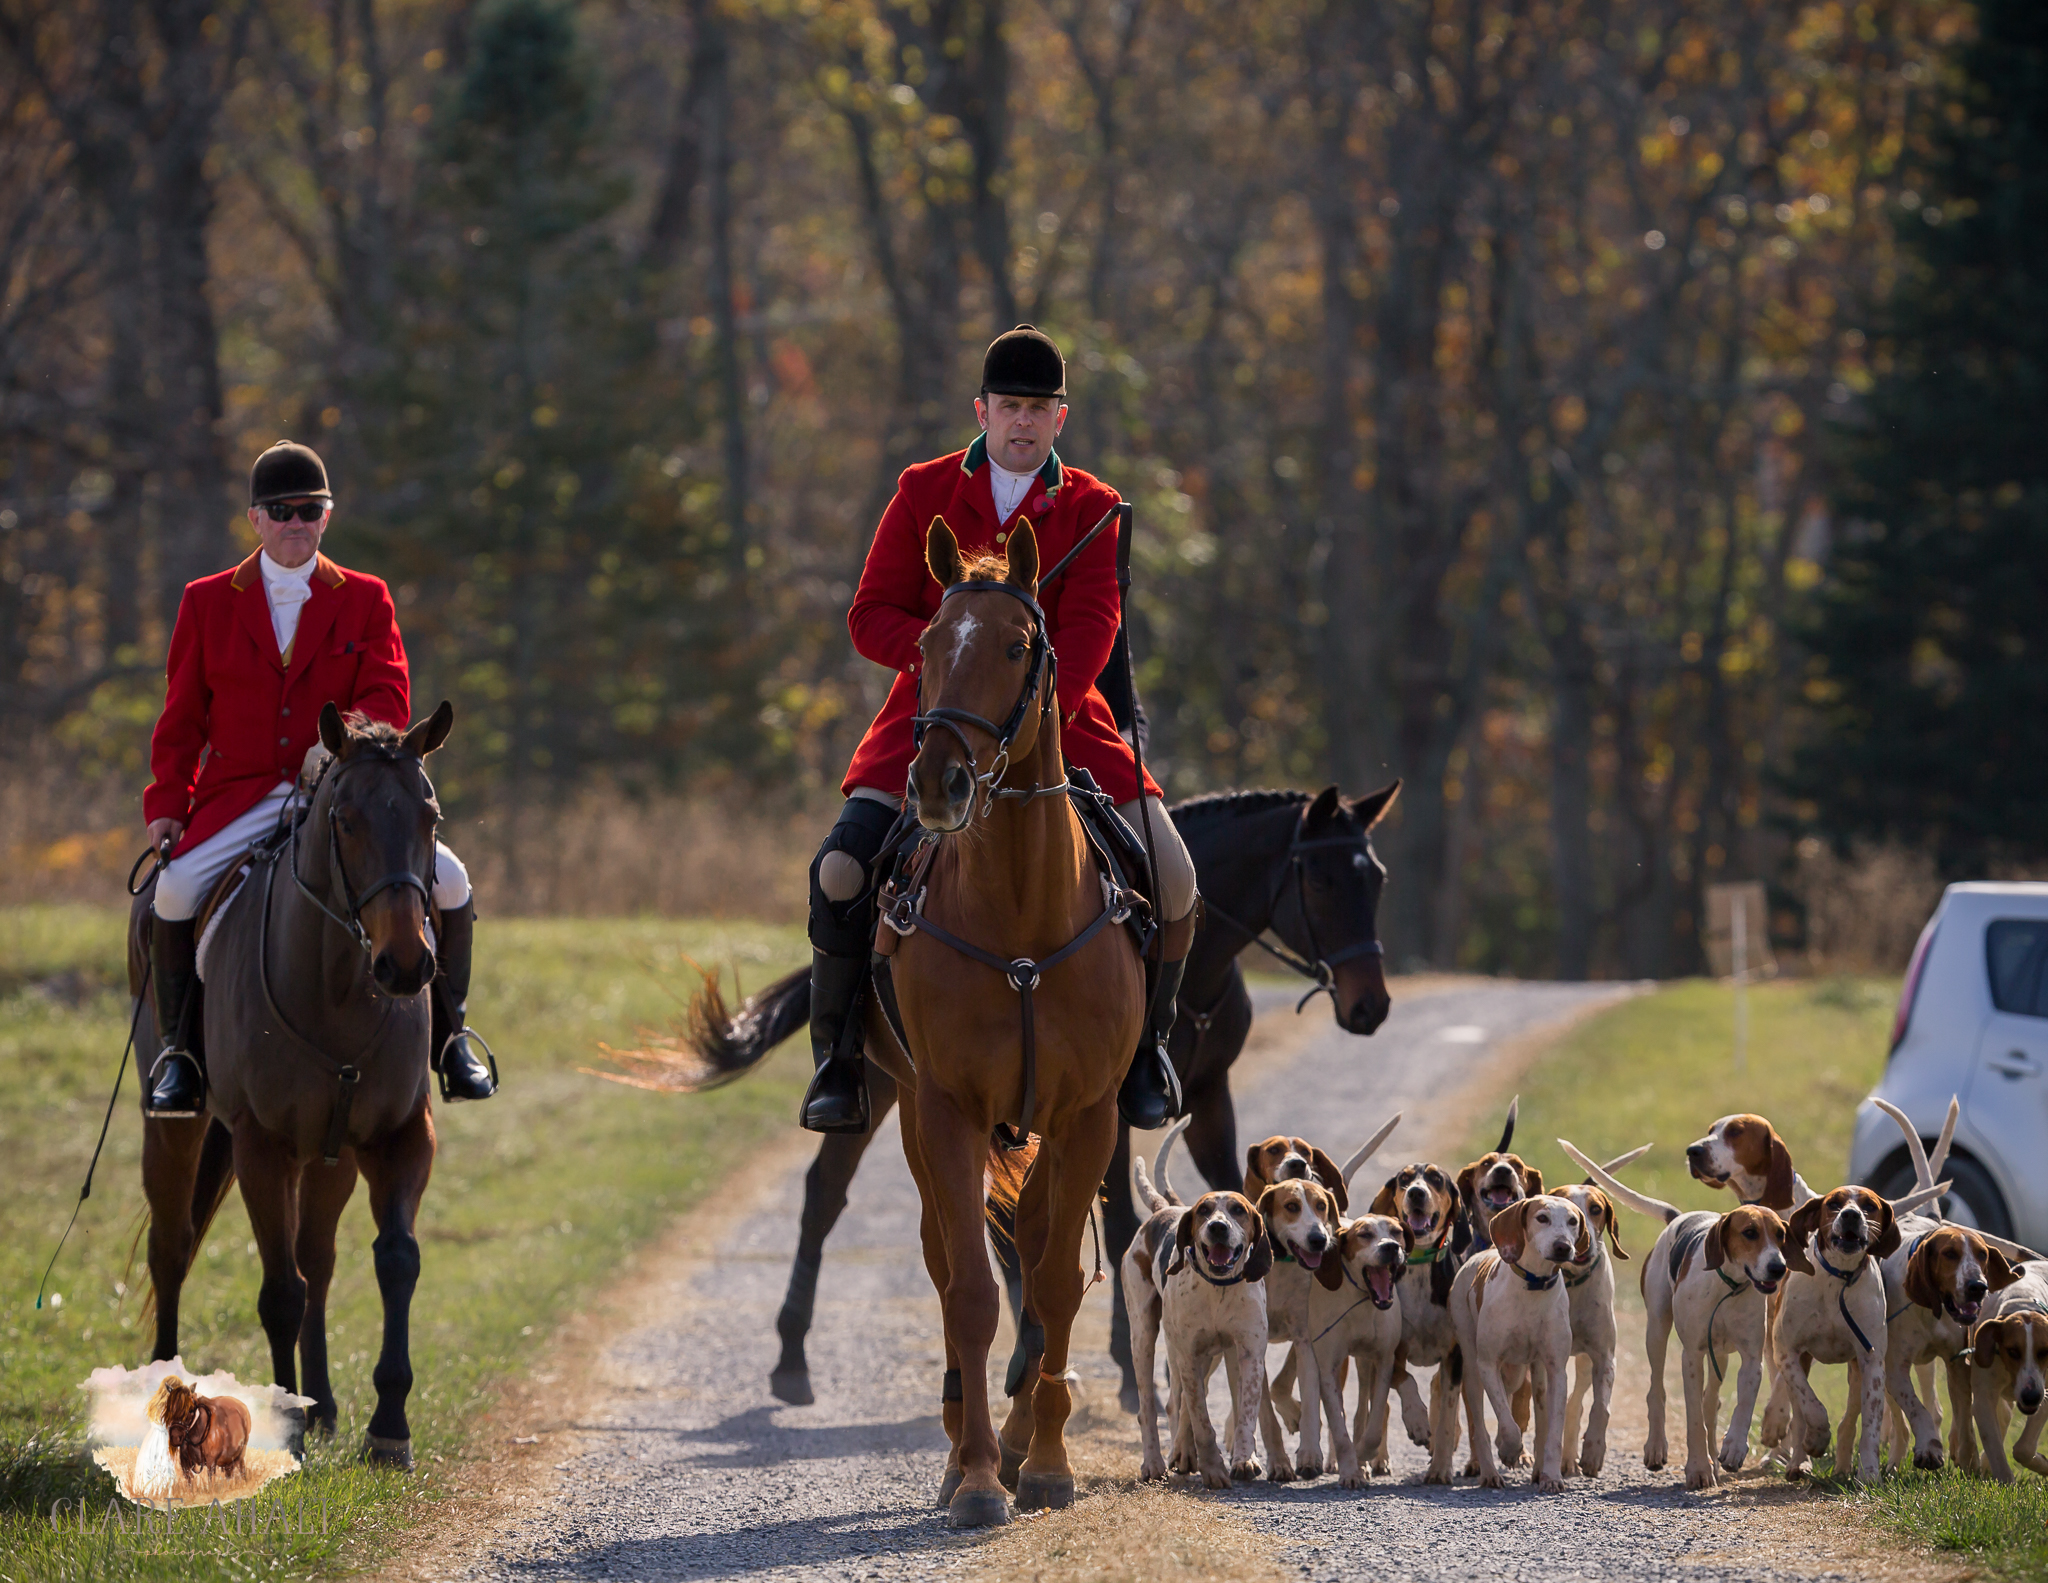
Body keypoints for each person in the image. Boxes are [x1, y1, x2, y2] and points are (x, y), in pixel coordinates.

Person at [800, 325, 1198, 1135]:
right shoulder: (922, 489)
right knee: (842, 871)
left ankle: (1147, 1052)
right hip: (934, 718)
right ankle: (838, 1058)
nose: (1022, 421)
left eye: (1038, 409)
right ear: (982, 410)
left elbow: (1092, 627)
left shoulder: (1094, 507)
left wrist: (1034, 703)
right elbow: (868, 612)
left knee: (1180, 878)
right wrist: (952, 659)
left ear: (1061, 420)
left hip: (1062, 726)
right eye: (1009, 406)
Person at [139, 439, 499, 1117]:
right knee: (176, 890)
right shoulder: (206, 601)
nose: (296, 522)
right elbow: (182, 716)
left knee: (450, 881)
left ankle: (452, 1038)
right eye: (282, 511)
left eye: (310, 509)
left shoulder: (365, 597)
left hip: (340, 792)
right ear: (256, 518)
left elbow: (390, 697)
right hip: (239, 794)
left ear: (327, 516)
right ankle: (179, 1057)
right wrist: (167, 802)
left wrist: (341, 751)